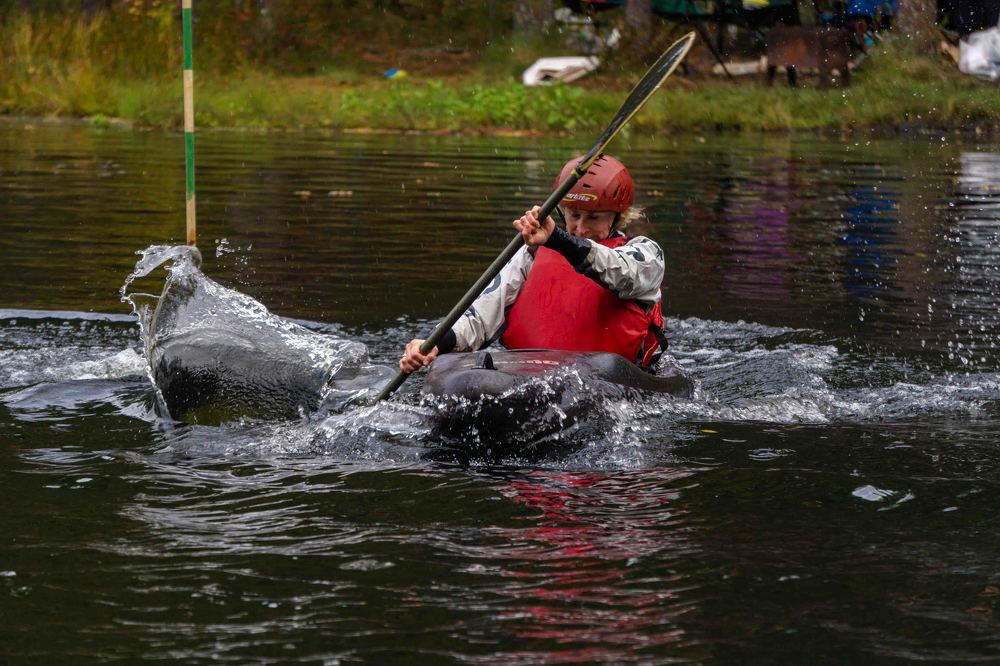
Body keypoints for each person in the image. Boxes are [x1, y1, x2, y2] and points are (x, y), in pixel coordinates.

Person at [399, 153, 667, 374]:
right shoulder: (531, 254)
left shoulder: (646, 254)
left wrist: (558, 239)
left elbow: (619, 272)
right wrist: (434, 344)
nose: (581, 228)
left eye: (593, 219)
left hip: (608, 380)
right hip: (531, 380)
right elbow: (481, 317)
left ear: (618, 217)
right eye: (573, 215)